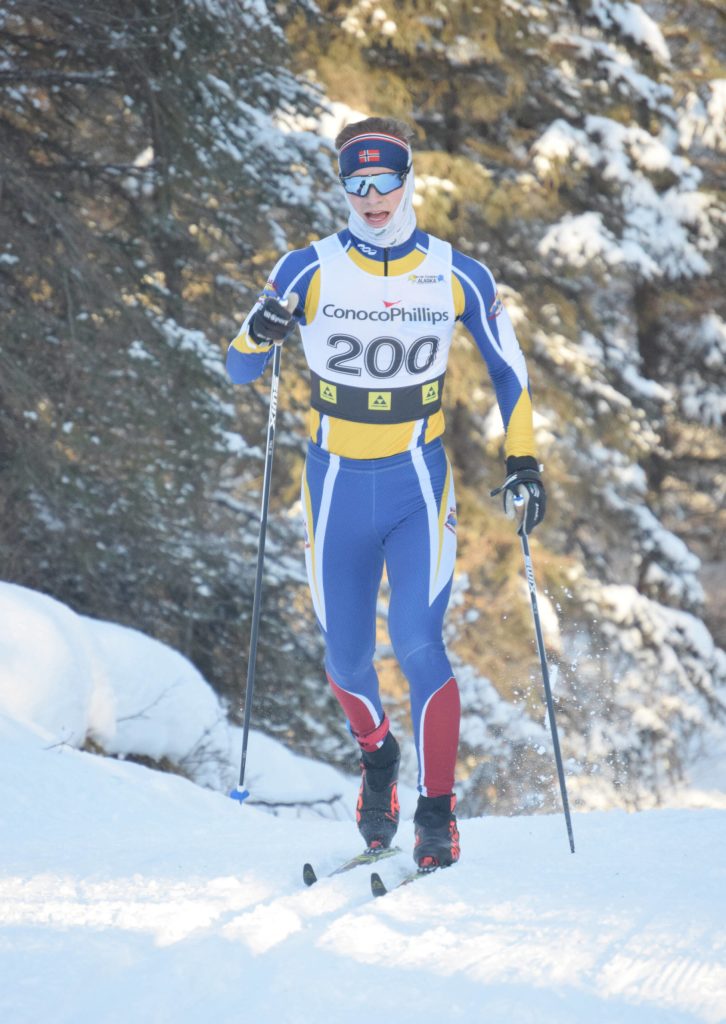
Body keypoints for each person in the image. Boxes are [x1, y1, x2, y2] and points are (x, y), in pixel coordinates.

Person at [226, 116, 545, 871]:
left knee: (418, 642)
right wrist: (259, 328)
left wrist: (523, 459)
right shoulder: (306, 268)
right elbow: (240, 368)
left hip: (414, 481)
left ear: (408, 181)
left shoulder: (456, 272)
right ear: (343, 186)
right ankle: (378, 760)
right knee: (344, 661)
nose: (371, 197)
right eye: (356, 182)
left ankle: (437, 814)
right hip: (334, 481)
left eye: (385, 180)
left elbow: (510, 372)